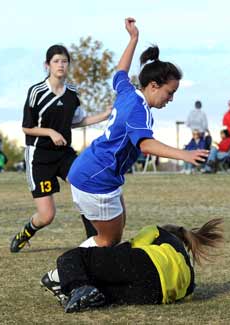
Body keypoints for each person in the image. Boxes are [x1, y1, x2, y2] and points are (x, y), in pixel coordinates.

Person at [67, 18, 208, 248]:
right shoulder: (138, 109)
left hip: (92, 170)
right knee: (108, 240)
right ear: (153, 85)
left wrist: (133, 39)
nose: (171, 99)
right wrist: (185, 155)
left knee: (116, 230)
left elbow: (120, 72)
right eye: (170, 92)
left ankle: (88, 274)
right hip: (96, 177)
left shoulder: (128, 92)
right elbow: (145, 145)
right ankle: (64, 273)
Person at [10, 44, 112, 253]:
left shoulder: (72, 93)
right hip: (39, 158)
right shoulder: (36, 92)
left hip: (64, 155)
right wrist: (50, 132)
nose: (60, 65)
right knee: (47, 216)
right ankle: (26, 232)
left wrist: (105, 114)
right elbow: (27, 128)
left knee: (86, 187)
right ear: (47, 65)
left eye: (64, 61)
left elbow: (76, 121)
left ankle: (93, 242)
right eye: (56, 61)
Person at [40, 218, 223, 313]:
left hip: (151, 264)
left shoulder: (158, 232)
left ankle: (76, 287)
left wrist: (94, 260)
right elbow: (187, 293)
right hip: (158, 294)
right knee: (101, 293)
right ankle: (77, 290)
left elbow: (125, 249)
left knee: (71, 257)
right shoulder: (188, 271)